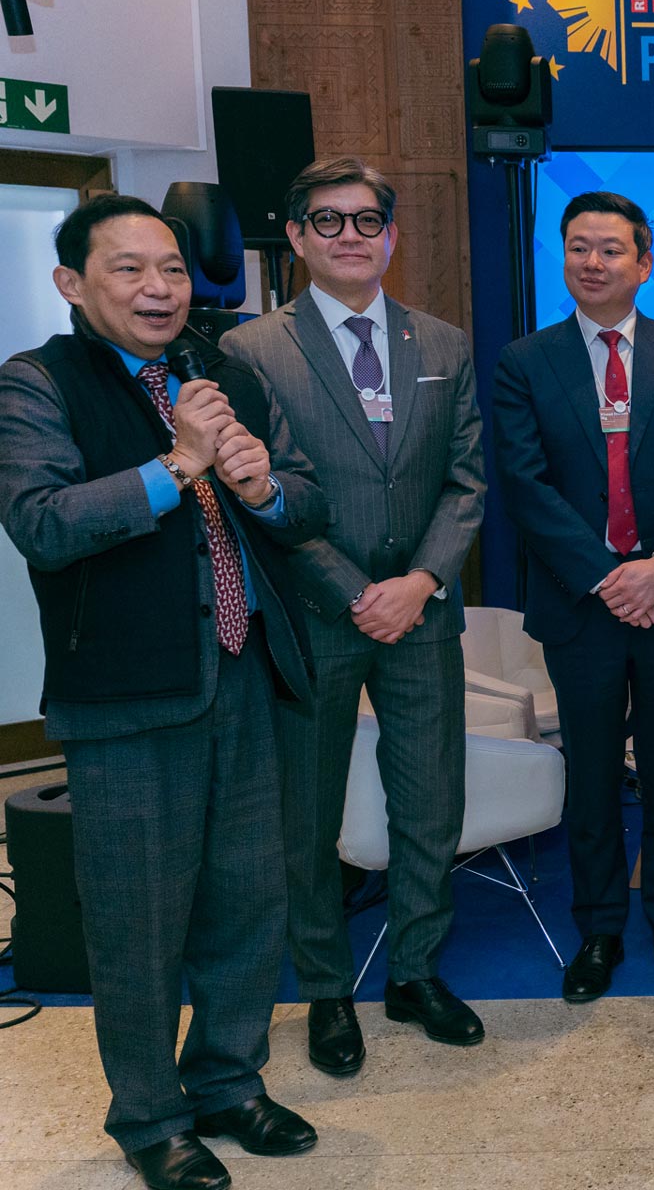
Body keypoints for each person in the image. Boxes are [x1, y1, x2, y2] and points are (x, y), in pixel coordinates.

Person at [0, 196, 326, 1190]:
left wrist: (264, 487)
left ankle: (228, 1079)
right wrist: (178, 463)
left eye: (173, 269)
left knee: (249, 900)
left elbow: (305, 500)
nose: (159, 289)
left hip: (244, 673)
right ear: (72, 283)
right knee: (138, 921)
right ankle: (149, 1116)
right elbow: (43, 521)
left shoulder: (224, 373)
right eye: (130, 269)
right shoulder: (35, 383)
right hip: (126, 695)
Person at [224, 157, 487, 1074]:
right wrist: (351, 590)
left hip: (423, 612)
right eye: (328, 221)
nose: (350, 236)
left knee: (431, 799)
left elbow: (466, 482)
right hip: (313, 615)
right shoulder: (252, 350)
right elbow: (257, 488)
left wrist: (420, 581)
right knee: (306, 814)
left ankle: (415, 971)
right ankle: (327, 988)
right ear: (297, 238)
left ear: (392, 235)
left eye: (366, 219)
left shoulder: (443, 344)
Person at [492, 192, 654, 1000]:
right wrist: (611, 577)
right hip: (580, 605)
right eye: (578, 247)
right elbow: (525, 485)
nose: (593, 262)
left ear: (644, 263)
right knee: (589, 775)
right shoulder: (526, 361)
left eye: (611, 249)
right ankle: (599, 929)